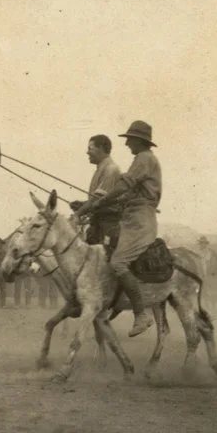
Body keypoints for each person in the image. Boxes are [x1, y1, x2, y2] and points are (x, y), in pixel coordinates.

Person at [74, 120, 161, 337]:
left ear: (139, 141)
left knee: (118, 262)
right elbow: (124, 192)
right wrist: (93, 204)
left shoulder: (144, 158)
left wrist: (97, 203)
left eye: (130, 140)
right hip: (132, 218)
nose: (127, 144)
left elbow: (124, 185)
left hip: (140, 220)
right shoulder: (141, 159)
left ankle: (141, 313)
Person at [71, 134, 122, 248]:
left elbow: (97, 199)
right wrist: (83, 205)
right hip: (98, 224)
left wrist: (78, 213)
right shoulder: (102, 169)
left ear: (101, 149)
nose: (87, 152)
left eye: (90, 148)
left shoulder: (111, 169)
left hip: (107, 227)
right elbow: (98, 200)